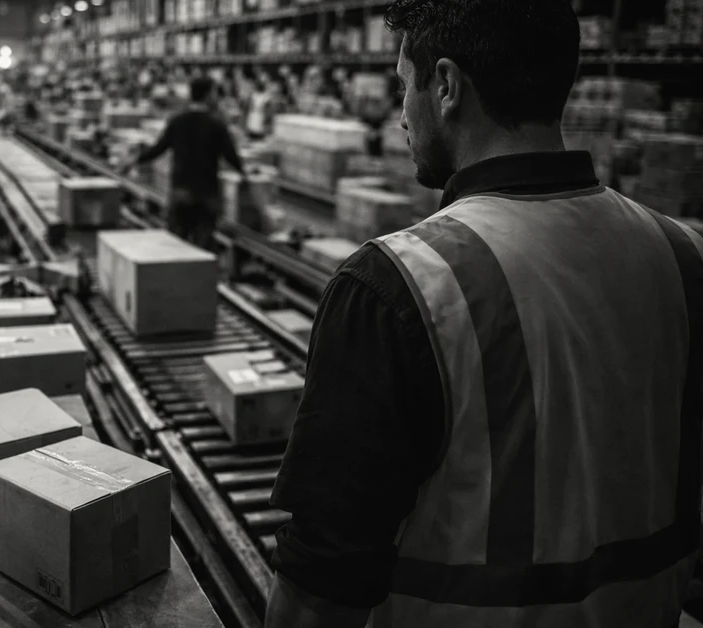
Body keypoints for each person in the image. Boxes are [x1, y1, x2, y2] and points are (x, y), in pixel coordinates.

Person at [264, 1, 703, 628]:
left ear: (445, 86)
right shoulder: (684, 257)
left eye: (403, 86)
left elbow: (321, 584)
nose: (401, 117)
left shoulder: (396, 285)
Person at [128, 76, 246, 251]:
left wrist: (135, 160)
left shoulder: (177, 121)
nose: (216, 97)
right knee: (202, 250)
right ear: (208, 95)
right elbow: (231, 157)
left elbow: (158, 149)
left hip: (180, 192)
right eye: (214, 93)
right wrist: (245, 174)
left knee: (175, 247)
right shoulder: (216, 124)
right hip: (206, 196)